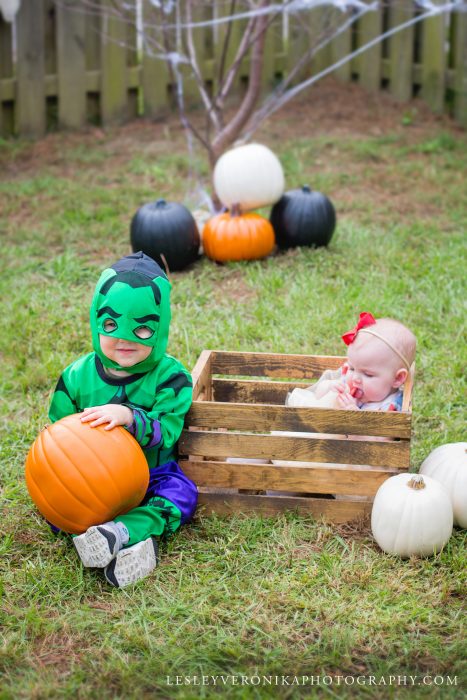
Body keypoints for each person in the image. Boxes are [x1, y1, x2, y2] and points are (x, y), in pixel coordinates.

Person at [48, 252, 198, 587]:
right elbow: (56, 438)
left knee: (182, 494)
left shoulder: (172, 378)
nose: (124, 339)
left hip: (150, 475)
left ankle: (122, 532)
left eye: (142, 329)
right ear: (95, 320)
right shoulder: (75, 377)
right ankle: (129, 543)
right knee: (55, 507)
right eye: (112, 325)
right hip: (92, 482)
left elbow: (167, 433)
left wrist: (129, 416)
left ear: (159, 329)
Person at [287, 312, 416, 411]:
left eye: (368, 374)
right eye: (352, 368)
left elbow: (379, 441)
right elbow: (317, 397)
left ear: (397, 378)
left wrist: (354, 417)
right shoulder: (348, 383)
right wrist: (328, 387)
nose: (355, 378)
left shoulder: (389, 406)